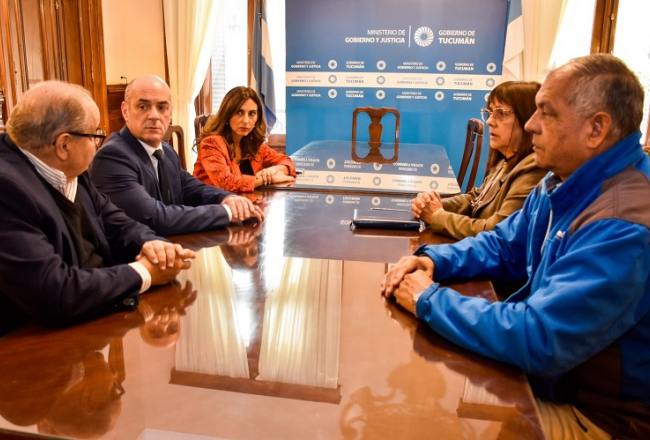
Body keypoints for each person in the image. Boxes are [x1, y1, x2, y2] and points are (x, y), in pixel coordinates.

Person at [382, 54, 650, 439]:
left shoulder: (624, 223)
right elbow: (504, 245)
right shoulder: (562, 179)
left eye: (547, 113)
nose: (530, 125)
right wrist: (432, 261)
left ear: (596, 129)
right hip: (548, 381)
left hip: (597, 417)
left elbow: (539, 338)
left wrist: (428, 299)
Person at [0, 80, 194, 335]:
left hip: (95, 315)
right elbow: (54, 293)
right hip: (31, 342)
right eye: (94, 135)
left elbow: (115, 221)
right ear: (64, 145)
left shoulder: (72, 169)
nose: (98, 143)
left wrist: (152, 245)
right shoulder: (7, 189)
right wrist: (144, 273)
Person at [90, 76, 263, 236]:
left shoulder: (166, 151)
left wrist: (227, 198)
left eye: (162, 107)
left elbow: (191, 188)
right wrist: (227, 212)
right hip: (131, 256)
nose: (154, 115)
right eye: (143, 107)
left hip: (168, 248)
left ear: (170, 113)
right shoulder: (113, 157)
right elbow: (156, 218)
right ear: (125, 111)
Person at [411, 81, 546, 240]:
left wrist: (437, 216)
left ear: (528, 119)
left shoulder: (533, 168)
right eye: (490, 112)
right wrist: (432, 204)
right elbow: (476, 198)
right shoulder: (507, 159)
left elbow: (495, 232)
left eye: (501, 113)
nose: (489, 121)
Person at [193, 86, 296, 192]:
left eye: (252, 114)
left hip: (245, 200)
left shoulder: (253, 144)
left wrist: (274, 170)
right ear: (227, 115)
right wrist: (266, 179)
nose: (246, 121)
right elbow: (226, 183)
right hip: (210, 201)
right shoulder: (211, 143)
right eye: (239, 113)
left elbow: (286, 161)